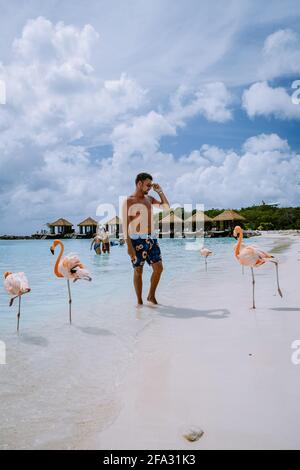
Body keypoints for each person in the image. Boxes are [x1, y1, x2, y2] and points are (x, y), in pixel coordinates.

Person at [122, 172, 169, 307]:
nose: (150, 187)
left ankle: (151, 295)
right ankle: (139, 301)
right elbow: (125, 225)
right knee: (138, 270)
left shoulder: (149, 199)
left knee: (159, 268)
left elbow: (166, 207)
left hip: (151, 238)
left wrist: (160, 192)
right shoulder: (129, 201)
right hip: (136, 240)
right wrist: (129, 246)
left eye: (151, 185)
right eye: (148, 185)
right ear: (139, 183)